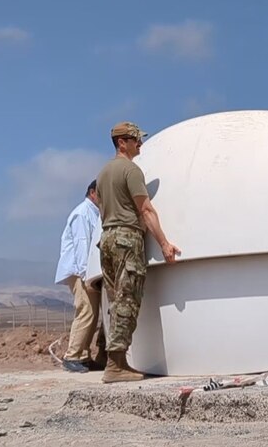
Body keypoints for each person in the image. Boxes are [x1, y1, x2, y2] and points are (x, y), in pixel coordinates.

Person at [96, 121, 182, 383]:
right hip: (126, 238)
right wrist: (165, 244)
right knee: (127, 300)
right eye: (135, 139)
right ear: (122, 142)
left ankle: (117, 361)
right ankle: (116, 365)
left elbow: (102, 209)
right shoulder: (130, 171)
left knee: (115, 301)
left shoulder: (103, 173)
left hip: (107, 238)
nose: (140, 143)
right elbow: (145, 210)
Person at [54, 179, 103, 373]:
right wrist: (86, 275)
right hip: (79, 271)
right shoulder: (82, 214)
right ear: (93, 192)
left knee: (92, 313)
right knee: (86, 311)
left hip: (85, 270)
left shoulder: (92, 213)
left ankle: (83, 356)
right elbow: (83, 245)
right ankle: (72, 356)